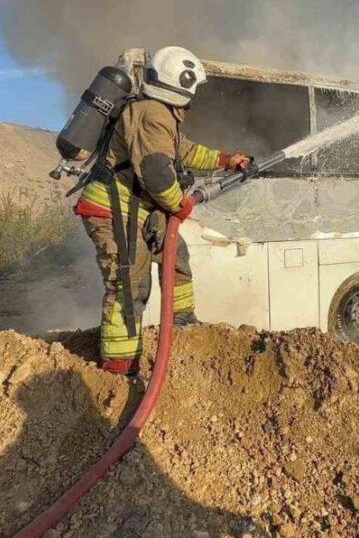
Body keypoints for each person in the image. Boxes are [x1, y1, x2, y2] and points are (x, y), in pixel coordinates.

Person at [73, 46, 249, 375]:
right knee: (129, 283)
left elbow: (185, 151)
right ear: (181, 84)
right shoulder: (153, 114)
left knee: (176, 256)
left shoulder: (161, 114)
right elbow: (155, 173)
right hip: (115, 210)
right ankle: (119, 366)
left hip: (138, 209)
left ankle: (183, 326)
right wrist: (178, 205)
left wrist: (226, 160)